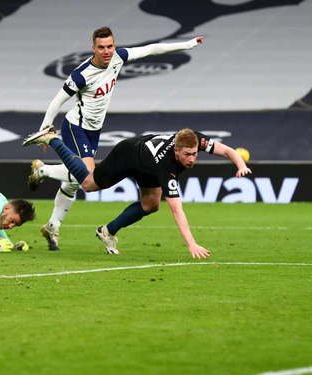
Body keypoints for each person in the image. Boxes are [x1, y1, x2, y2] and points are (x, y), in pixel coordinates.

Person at [24, 26, 205, 251]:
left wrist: (187, 44)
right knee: (88, 179)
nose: (107, 51)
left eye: (110, 46)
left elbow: (152, 49)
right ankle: (43, 170)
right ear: (93, 49)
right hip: (76, 128)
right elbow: (57, 101)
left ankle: (53, 225)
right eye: (101, 47)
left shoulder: (119, 58)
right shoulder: (81, 75)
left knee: (74, 180)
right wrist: (45, 129)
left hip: (94, 130)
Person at [23, 127, 251, 259]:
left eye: (195, 154)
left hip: (147, 161)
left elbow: (228, 150)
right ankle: (52, 139)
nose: (192, 159)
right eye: (187, 155)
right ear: (176, 150)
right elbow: (177, 211)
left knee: (151, 204)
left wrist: (240, 165)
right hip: (129, 155)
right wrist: (191, 243)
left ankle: (106, 231)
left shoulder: (194, 139)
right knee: (88, 184)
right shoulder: (167, 167)